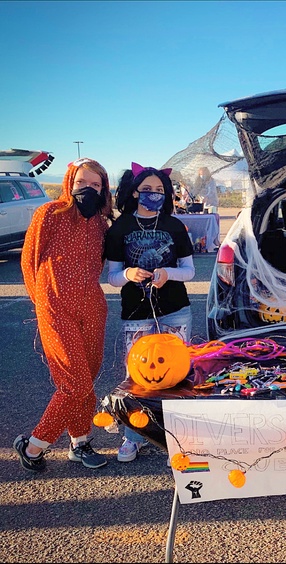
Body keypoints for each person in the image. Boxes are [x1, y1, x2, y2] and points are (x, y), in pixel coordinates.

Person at [14, 158, 114, 472]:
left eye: (96, 185)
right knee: (74, 383)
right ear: (70, 182)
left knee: (87, 379)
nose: (89, 189)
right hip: (56, 309)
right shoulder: (49, 214)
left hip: (93, 308)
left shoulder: (100, 222)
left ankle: (80, 442)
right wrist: (43, 304)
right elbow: (29, 263)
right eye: (82, 183)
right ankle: (34, 446)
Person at [105, 162, 195, 462]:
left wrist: (168, 273)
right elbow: (112, 277)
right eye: (147, 190)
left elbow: (190, 271)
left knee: (178, 375)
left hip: (175, 311)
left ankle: (178, 439)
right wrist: (129, 274)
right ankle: (134, 436)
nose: (153, 195)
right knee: (138, 376)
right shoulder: (120, 228)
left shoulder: (174, 226)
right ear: (134, 192)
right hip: (136, 313)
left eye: (159, 190)